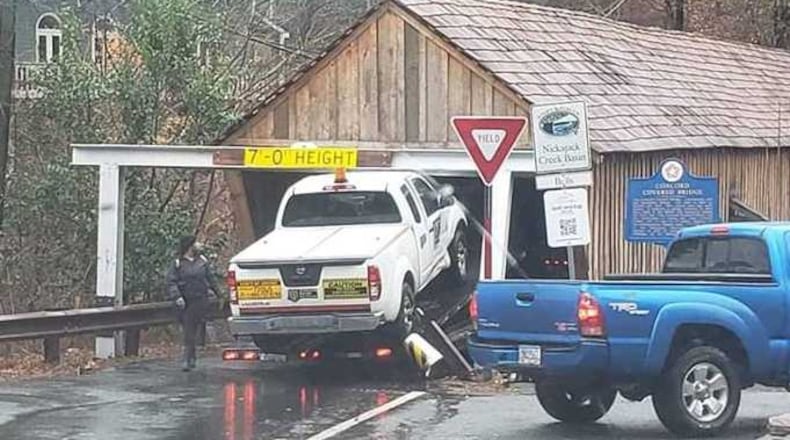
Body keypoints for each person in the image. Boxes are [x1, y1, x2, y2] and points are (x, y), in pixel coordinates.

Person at [166, 235, 219, 371]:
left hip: (200, 299)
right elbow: (171, 281)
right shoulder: (178, 263)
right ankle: (187, 358)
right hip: (185, 301)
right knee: (188, 328)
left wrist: (220, 293)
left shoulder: (202, 261)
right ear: (190, 246)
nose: (199, 245)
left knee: (193, 328)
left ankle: (191, 356)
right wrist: (177, 296)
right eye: (196, 243)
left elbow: (211, 279)